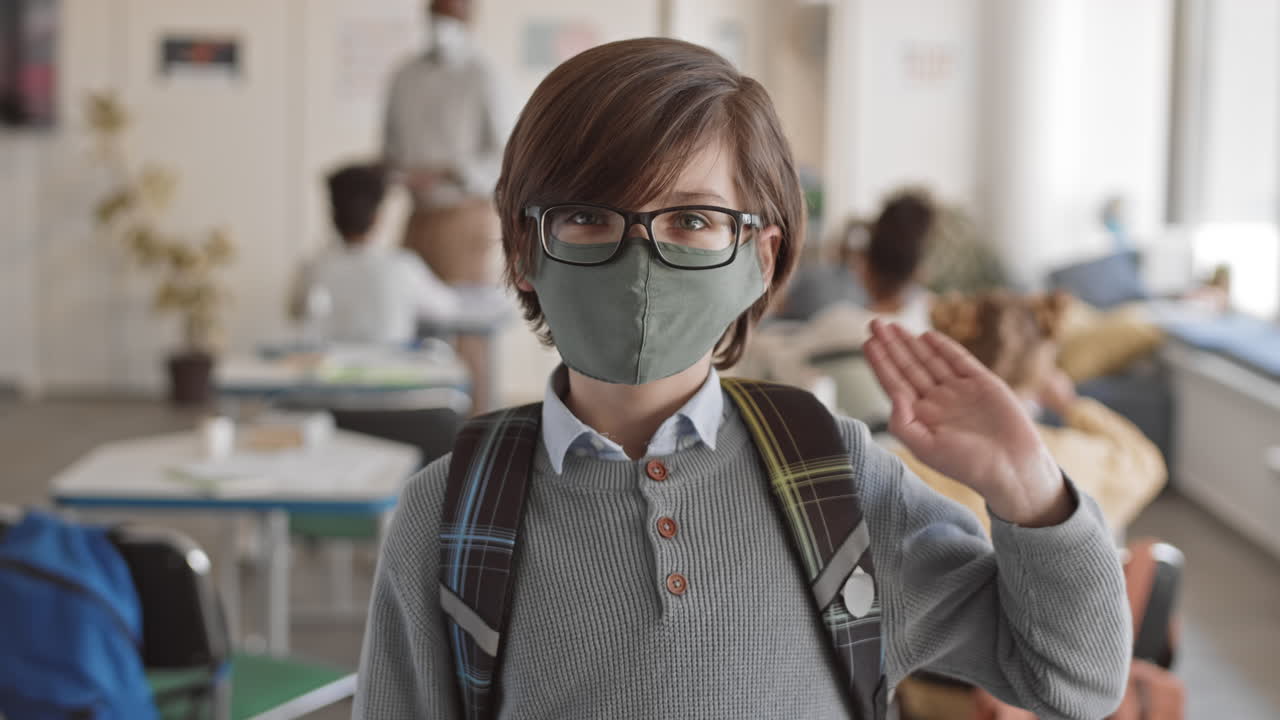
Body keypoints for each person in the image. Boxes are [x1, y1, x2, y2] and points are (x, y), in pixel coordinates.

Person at [354, 38, 1129, 720]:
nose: (641, 263)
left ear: (760, 258)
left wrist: (1032, 491)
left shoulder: (839, 482)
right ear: (525, 247)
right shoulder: (447, 515)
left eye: (691, 220)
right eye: (589, 216)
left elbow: (1075, 681)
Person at [895, 290, 1167, 535]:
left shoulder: (902, 469)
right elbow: (1149, 464)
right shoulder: (1075, 458)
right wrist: (1071, 405)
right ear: (1044, 372)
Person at [383, 0, 506, 286]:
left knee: (463, 318)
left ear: (469, 20)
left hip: (463, 213)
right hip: (417, 214)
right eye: (437, 15)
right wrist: (400, 174)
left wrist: (452, 172)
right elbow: (389, 147)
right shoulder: (405, 75)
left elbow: (504, 154)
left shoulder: (483, 76)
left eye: (452, 16)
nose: (443, 26)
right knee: (412, 311)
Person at [289, 164, 459, 345]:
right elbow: (448, 307)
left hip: (326, 368)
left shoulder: (313, 269)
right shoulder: (402, 267)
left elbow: (294, 311)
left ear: (333, 215)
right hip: (391, 369)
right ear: (378, 216)